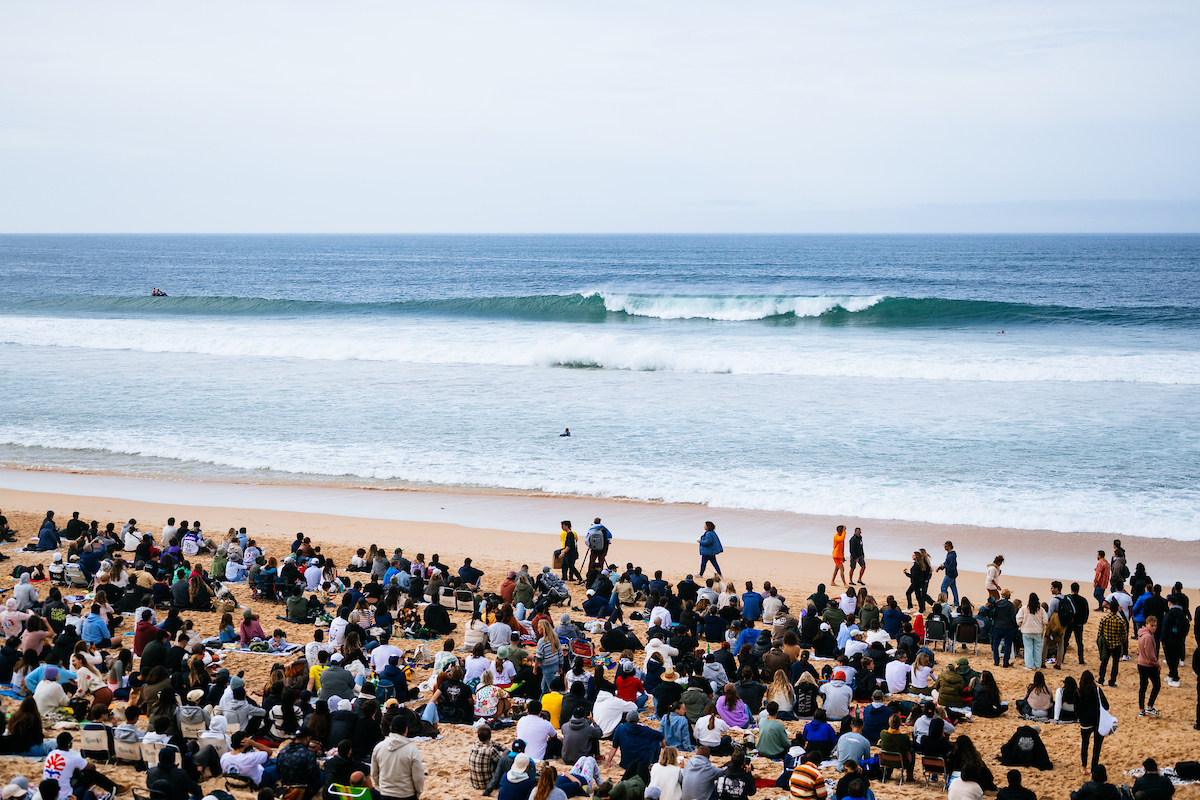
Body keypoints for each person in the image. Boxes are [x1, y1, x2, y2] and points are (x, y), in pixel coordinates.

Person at [371, 716, 425, 800]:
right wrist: (418, 792)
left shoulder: (378, 747)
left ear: (390, 728)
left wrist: (380, 787)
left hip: (385, 794)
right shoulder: (412, 750)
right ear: (406, 729)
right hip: (406, 794)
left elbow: (374, 773)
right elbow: (418, 776)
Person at [1075, 671, 1109, 773]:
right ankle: (1093, 770)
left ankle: (1084, 766)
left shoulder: (1078, 692)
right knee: (1096, 748)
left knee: (1085, 744)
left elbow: (1076, 710)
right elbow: (1106, 706)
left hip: (1085, 722)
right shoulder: (1097, 690)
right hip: (1098, 722)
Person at [1097, 603, 1128, 688]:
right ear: (1117, 609)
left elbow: (1100, 633)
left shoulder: (1104, 619)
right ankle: (1112, 682)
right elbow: (1125, 635)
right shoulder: (1121, 621)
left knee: (1104, 662)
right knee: (1115, 664)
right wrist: (1120, 641)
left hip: (1106, 644)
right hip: (1116, 645)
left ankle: (1101, 680)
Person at [1137, 615, 1162, 716]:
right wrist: (1157, 664)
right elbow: (1150, 655)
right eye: (1152, 625)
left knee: (1143, 687)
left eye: (1155, 625)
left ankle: (1142, 709)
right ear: (1147, 624)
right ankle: (1149, 707)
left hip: (1141, 663)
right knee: (1156, 685)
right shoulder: (1148, 636)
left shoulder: (1142, 633)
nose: (1154, 627)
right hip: (1148, 665)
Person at [1017, 593, 1047, 669]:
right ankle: (1038, 666)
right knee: (1038, 649)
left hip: (1026, 632)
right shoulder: (1041, 610)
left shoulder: (1024, 609)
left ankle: (1029, 666)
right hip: (1038, 632)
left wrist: (1021, 625)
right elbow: (1045, 621)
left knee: (1028, 649)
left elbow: (1018, 619)